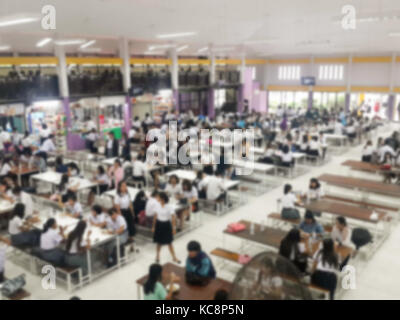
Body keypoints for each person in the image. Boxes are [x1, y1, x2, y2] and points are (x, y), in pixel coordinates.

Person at [152, 192, 180, 264]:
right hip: (159, 224)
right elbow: (155, 216)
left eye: (158, 198)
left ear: (163, 199)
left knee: (169, 242)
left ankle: (174, 257)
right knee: (159, 242)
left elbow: (173, 218)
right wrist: (153, 226)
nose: (157, 199)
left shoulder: (169, 206)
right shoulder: (156, 205)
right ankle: (157, 256)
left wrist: (174, 228)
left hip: (166, 225)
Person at [114, 181, 135, 249]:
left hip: (128, 211)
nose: (125, 187)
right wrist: (121, 217)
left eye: (125, 186)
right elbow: (117, 207)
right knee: (125, 228)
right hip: (122, 213)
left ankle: (132, 244)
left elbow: (130, 204)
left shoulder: (127, 194)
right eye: (123, 186)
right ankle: (124, 243)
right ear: (119, 187)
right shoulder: (117, 196)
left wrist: (132, 213)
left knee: (131, 227)